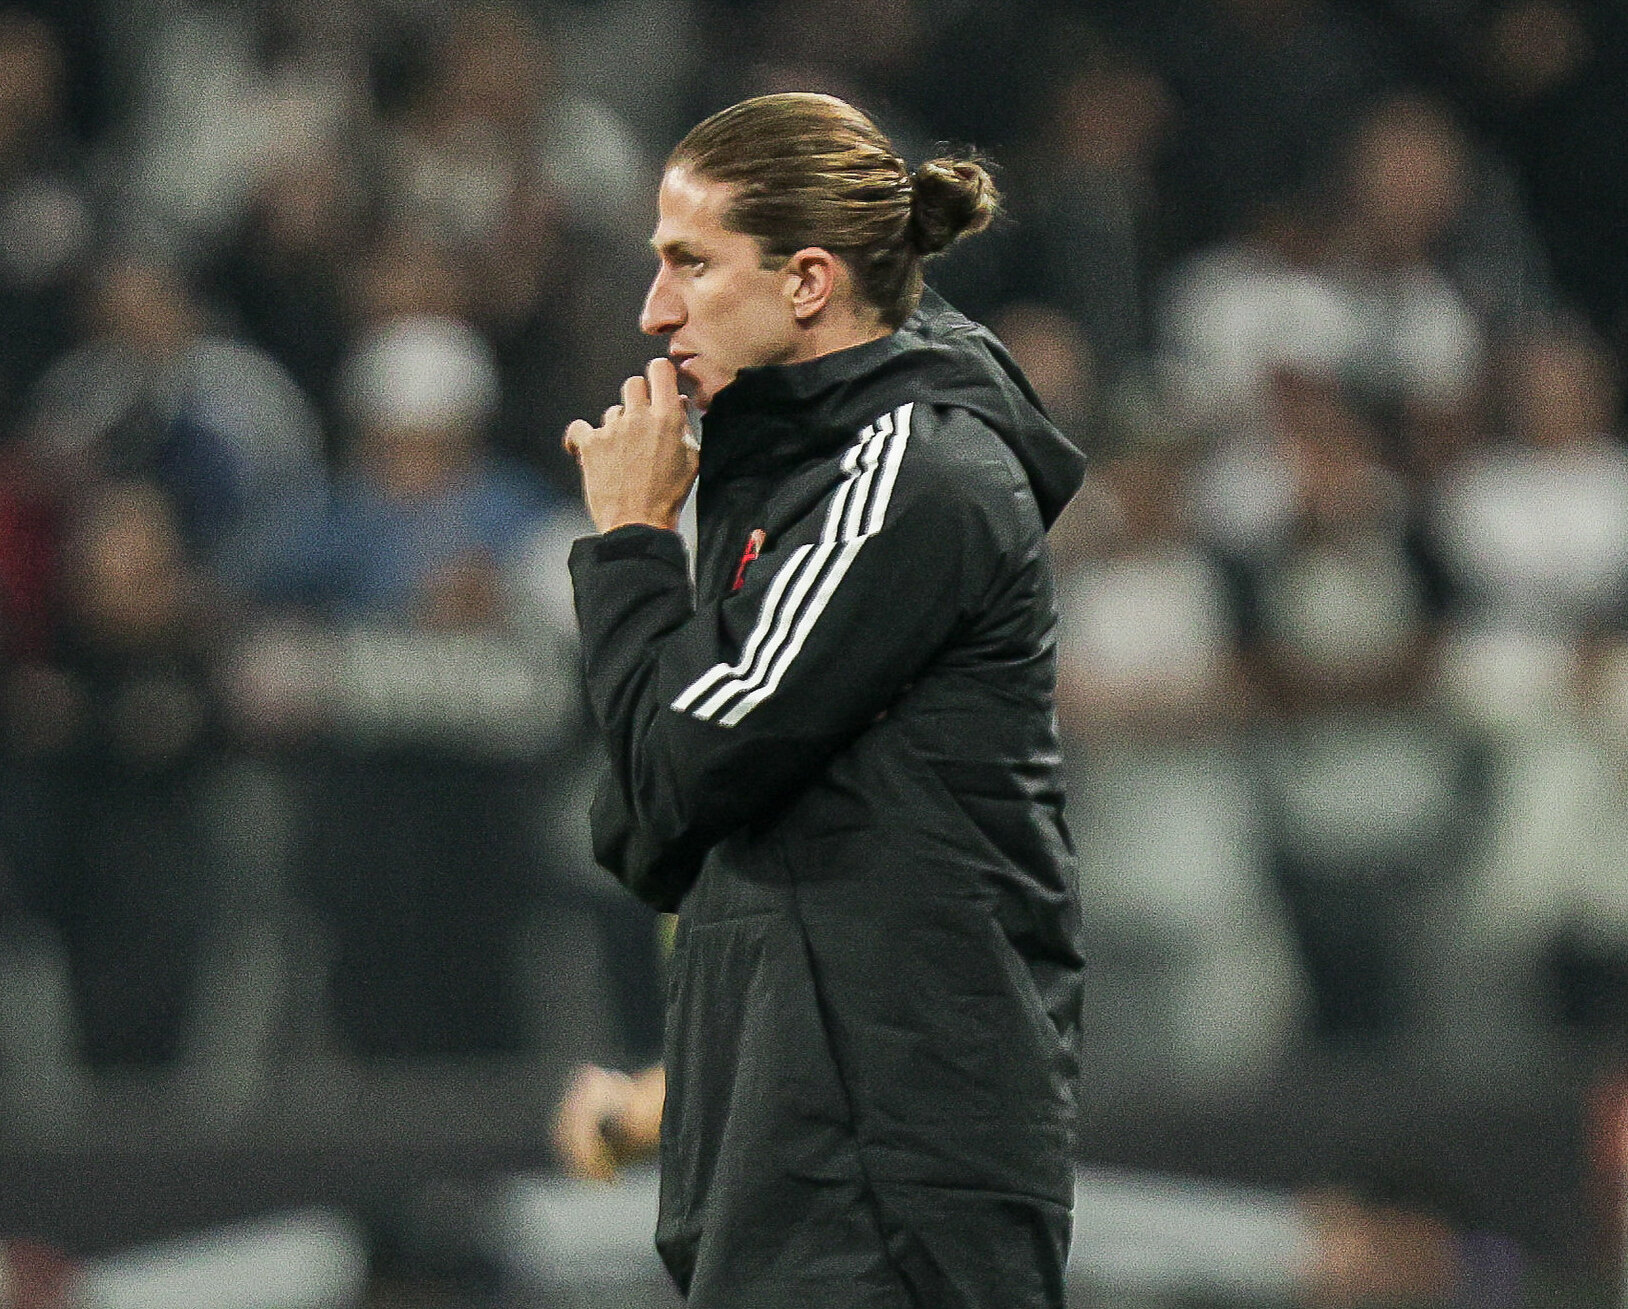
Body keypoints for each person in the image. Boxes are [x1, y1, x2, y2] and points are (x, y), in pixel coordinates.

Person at [562, 92, 1087, 1309]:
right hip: (793, 1146)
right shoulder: (792, 473)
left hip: (885, 1170)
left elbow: (670, 775)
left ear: (807, 280)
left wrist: (633, 543)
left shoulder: (913, 472)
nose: (653, 311)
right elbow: (651, 825)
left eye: (688, 263)